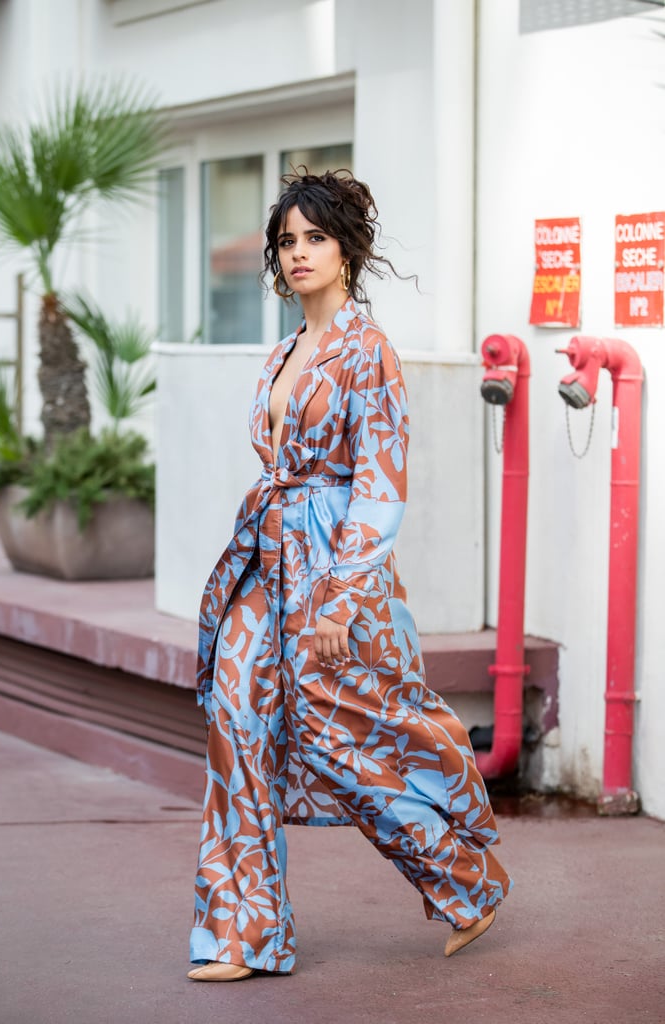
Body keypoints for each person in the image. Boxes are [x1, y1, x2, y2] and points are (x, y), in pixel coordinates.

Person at [187, 169, 512, 983]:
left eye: (314, 239)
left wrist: (341, 594)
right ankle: (242, 932)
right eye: (287, 242)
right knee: (236, 723)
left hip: (336, 572)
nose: (298, 254)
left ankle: (462, 875)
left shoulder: (368, 353)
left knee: (341, 741)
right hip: (266, 562)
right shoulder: (284, 350)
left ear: (346, 250)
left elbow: (379, 482)